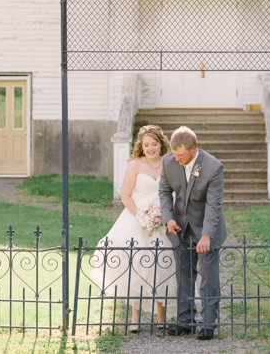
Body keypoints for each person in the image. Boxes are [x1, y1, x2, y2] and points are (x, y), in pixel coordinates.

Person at [91, 124, 176, 332]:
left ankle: (161, 317)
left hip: (163, 221)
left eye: (154, 144)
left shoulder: (168, 163)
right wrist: (141, 216)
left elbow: (174, 190)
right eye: (146, 144)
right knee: (136, 265)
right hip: (137, 220)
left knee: (162, 265)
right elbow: (126, 195)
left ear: (160, 143)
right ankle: (135, 318)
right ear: (141, 145)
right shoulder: (135, 165)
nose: (150, 148)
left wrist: (164, 215)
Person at [159, 125, 227, 341]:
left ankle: (208, 325)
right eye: (174, 154)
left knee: (208, 278)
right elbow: (164, 191)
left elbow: (214, 205)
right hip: (180, 228)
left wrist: (206, 235)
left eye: (181, 155)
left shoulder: (213, 167)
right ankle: (185, 322)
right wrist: (169, 218)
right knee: (184, 276)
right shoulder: (168, 162)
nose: (177, 159)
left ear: (193, 149)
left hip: (206, 227)